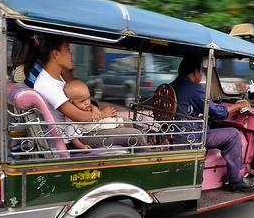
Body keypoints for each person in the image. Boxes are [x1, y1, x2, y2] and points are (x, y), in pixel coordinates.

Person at [32, 33, 166, 152]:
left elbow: (78, 98)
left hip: (85, 128)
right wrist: (102, 114)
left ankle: (145, 147)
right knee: (133, 134)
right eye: (68, 50)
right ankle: (150, 154)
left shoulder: (58, 77)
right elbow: (79, 116)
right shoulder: (46, 84)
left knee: (126, 121)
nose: (71, 55)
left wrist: (93, 107)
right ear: (56, 54)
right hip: (76, 139)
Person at [169, 55, 254, 191]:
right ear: (196, 71)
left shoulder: (174, 84)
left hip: (174, 132)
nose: (201, 75)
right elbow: (217, 112)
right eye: (201, 71)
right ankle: (236, 181)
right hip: (190, 136)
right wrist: (238, 105)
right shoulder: (192, 87)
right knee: (233, 135)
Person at [63, 78, 126, 150]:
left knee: (125, 121)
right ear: (71, 102)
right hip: (93, 130)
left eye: (88, 98)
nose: (87, 102)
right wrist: (81, 146)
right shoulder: (71, 117)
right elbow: (72, 136)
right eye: (82, 101)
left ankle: (119, 123)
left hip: (97, 124)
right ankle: (119, 124)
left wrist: (93, 107)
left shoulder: (85, 107)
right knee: (115, 124)